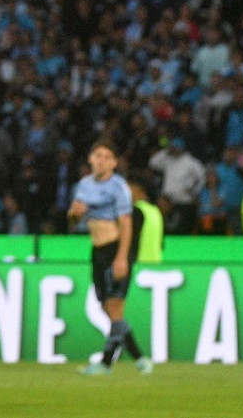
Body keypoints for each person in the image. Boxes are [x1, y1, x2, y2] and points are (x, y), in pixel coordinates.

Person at [68, 142, 152, 376]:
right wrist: (73, 215)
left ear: (114, 163)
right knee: (108, 308)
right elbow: (74, 223)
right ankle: (137, 358)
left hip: (114, 249)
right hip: (96, 250)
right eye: (97, 155)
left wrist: (122, 258)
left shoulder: (118, 188)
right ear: (90, 159)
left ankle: (111, 363)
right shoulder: (83, 185)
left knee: (114, 306)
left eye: (107, 157)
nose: (101, 160)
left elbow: (126, 224)